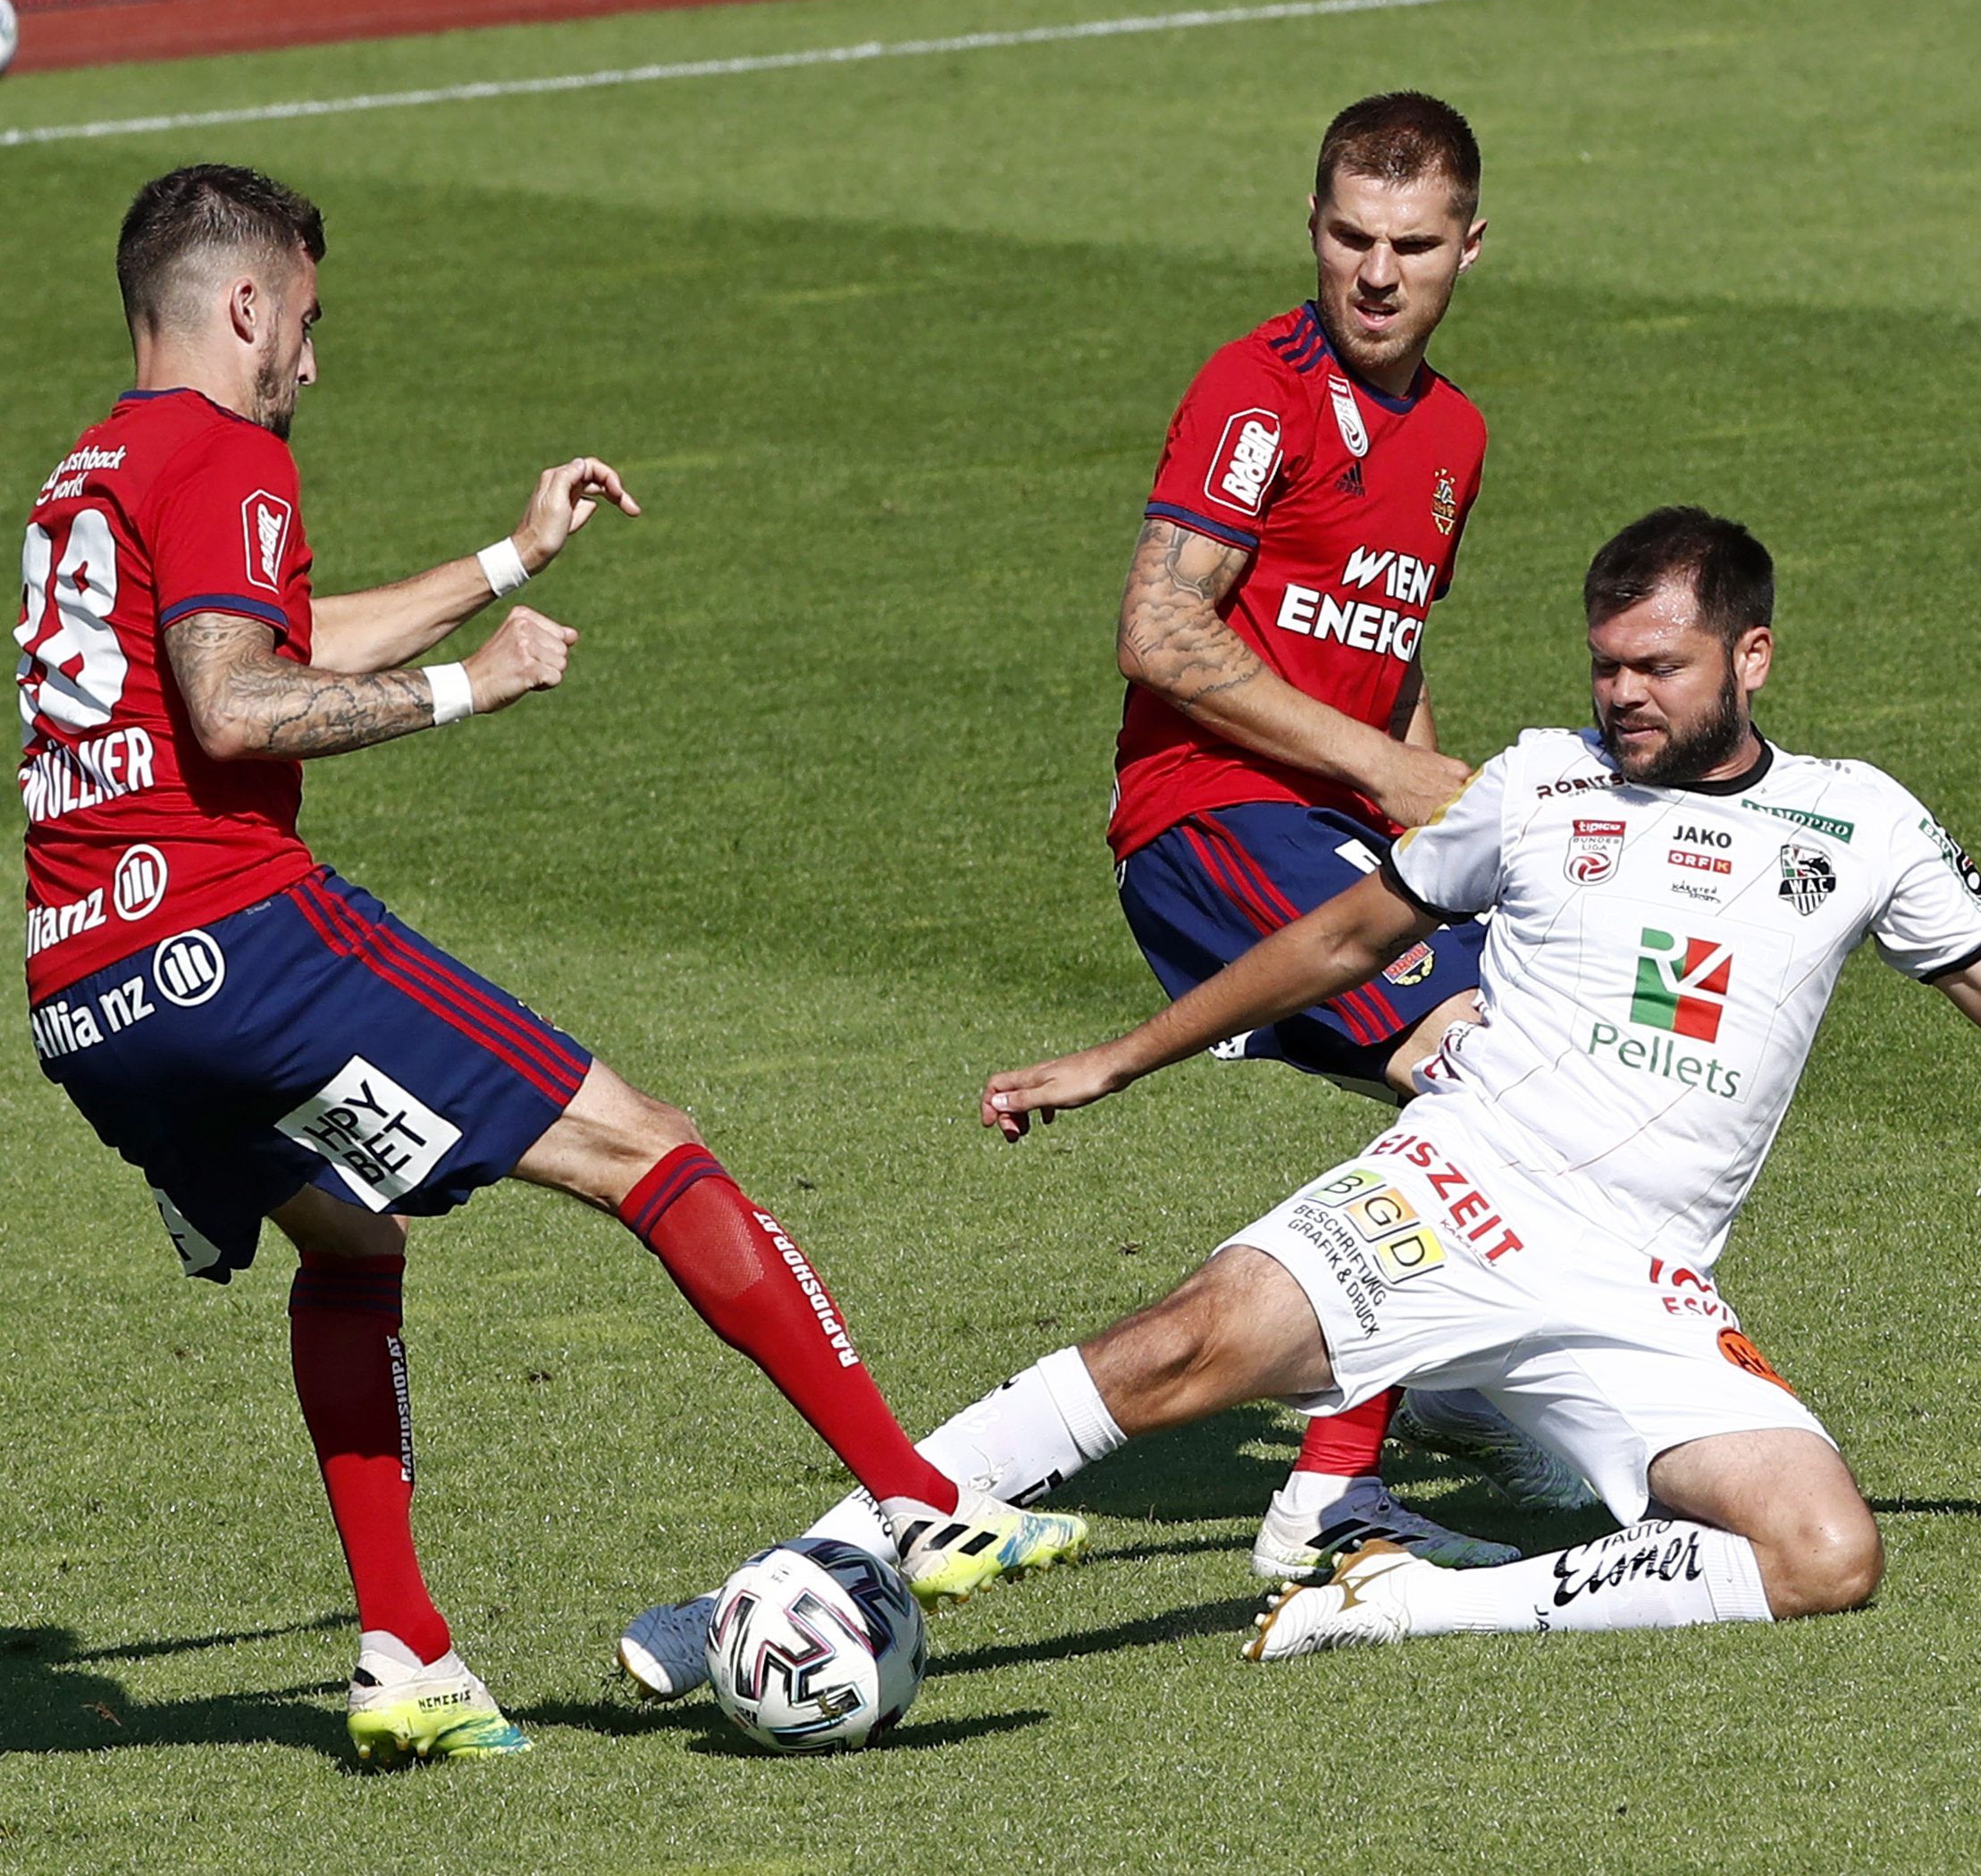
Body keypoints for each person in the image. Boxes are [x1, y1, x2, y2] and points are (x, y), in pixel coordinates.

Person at [17, 164, 1083, 1767]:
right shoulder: (228, 449)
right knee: (644, 1146)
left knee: (351, 1246)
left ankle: (407, 1657)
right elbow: (241, 707)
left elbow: (252, 649)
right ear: (245, 307)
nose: (312, 361)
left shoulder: (84, 472)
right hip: (238, 941)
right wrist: (477, 686)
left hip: (86, 997)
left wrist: (508, 560)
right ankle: (918, 1499)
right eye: (305, 324)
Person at [625, 506, 1981, 1681]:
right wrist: (1121, 1055)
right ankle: (772, 1581)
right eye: (1605, 665)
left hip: (1643, 1282)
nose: (1622, 695)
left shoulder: (1858, 821)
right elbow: (1345, 937)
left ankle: (1412, 1600)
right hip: (1457, 1192)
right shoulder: (1536, 782)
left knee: (1822, 1548)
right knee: (1170, 1350)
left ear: (1750, 657)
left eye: (1657, 668)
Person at [1108, 89, 1579, 1579]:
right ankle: (1328, 1488)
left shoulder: (1451, 432)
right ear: (1310, 229)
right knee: (1468, 1053)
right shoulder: (1255, 393)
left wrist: (1462, 841)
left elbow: (1386, 653)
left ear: (1469, 249)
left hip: (1338, 820)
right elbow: (1159, 631)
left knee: (1545, 1051)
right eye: (1349, 238)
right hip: (1213, 816)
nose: (1376, 275)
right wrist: (1384, 772)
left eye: (1413, 245)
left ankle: (1431, 1370)